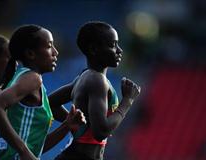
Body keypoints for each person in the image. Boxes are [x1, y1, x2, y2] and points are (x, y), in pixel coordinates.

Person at [0, 24, 85, 160]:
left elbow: (35, 148)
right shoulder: (32, 78)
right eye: (49, 46)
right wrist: (23, 151)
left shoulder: (28, 81)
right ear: (31, 54)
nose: (56, 52)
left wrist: (66, 126)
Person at [53, 21, 141, 160]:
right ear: (94, 49)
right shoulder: (97, 80)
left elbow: (50, 103)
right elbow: (101, 132)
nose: (119, 50)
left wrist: (80, 126)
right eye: (113, 45)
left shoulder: (84, 77)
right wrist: (127, 101)